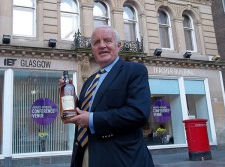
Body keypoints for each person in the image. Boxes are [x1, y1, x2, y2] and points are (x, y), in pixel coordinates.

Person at [60, 25, 154, 167]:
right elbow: (83, 112)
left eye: (107, 41)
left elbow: (138, 113)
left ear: (118, 45)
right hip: (85, 155)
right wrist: (69, 94)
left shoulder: (134, 71)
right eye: (96, 42)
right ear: (92, 49)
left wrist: (92, 119)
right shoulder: (90, 81)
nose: (102, 45)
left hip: (121, 159)